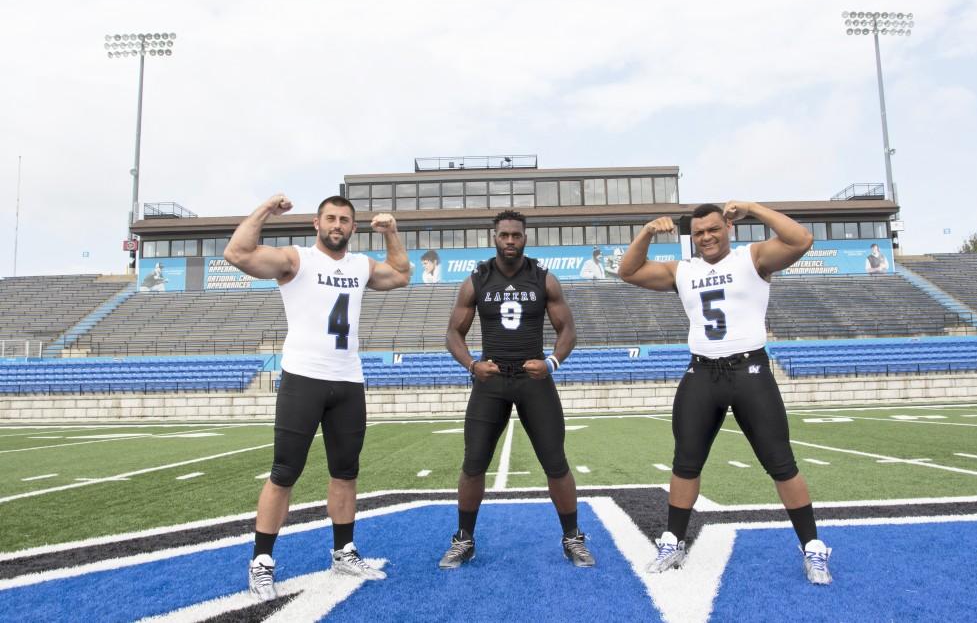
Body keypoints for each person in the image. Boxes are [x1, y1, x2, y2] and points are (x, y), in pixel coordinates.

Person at [618, 201, 832, 585]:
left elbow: (801, 239)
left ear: (728, 228)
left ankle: (812, 547)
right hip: (702, 372)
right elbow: (628, 271)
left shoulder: (753, 258)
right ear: (692, 237)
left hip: (749, 370)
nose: (706, 237)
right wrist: (648, 232)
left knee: (781, 463)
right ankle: (673, 540)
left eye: (713, 229)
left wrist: (754, 207)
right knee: (686, 462)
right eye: (699, 232)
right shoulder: (683, 270)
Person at [225, 194, 410, 601]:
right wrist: (263, 211)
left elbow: (400, 275)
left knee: (346, 471)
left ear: (353, 228)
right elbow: (237, 253)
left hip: (348, 380)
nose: (337, 225)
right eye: (331, 218)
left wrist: (393, 233)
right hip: (303, 378)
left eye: (344, 220)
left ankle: (344, 551)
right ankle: (261, 561)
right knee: (284, 471)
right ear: (316, 223)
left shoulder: (360, 266)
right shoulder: (296, 260)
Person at [438, 210, 595, 569]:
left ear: (525, 238)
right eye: (504, 235)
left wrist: (552, 362)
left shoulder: (543, 278)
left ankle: (573, 537)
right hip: (490, 381)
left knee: (556, 463)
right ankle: (464, 538)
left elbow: (568, 329)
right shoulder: (476, 280)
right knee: (474, 463)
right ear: (494, 237)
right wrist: (472, 365)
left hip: (533, 379)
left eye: (516, 235)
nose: (510, 241)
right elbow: (452, 333)